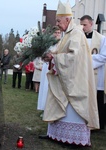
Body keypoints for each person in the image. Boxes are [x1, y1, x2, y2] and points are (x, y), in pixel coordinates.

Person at [40, 1, 99, 147]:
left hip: (74, 80)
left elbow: (74, 57)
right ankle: (55, 134)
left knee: (72, 108)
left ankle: (74, 138)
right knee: (57, 102)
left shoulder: (76, 34)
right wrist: (50, 55)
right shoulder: (67, 34)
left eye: (59, 21)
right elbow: (62, 52)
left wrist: (54, 58)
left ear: (67, 19)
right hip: (64, 77)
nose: (57, 24)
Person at [80, 15, 106, 130]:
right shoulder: (79, 38)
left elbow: (103, 57)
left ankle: (98, 124)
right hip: (82, 74)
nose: (82, 27)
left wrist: (87, 59)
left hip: (96, 74)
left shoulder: (102, 39)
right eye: (81, 25)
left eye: (84, 25)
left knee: (97, 100)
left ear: (91, 24)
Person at [37, 27, 61, 111]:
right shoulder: (48, 43)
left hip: (56, 66)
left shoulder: (61, 43)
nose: (57, 34)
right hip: (48, 66)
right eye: (56, 33)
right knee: (46, 85)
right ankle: (44, 107)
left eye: (59, 32)